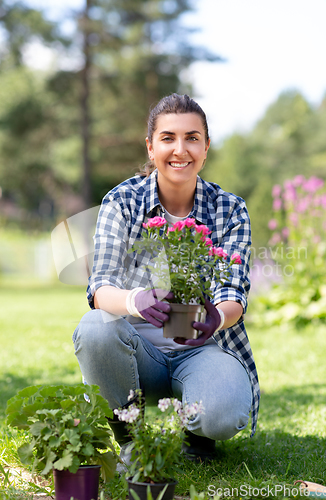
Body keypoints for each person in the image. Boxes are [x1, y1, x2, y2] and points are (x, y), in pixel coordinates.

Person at [72, 93, 260, 465]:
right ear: (151, 146)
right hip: (135, 354)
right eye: (168, 138)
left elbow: (234, 292)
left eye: (192, 138)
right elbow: (100, 287)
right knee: (95, 327)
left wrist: (217, 318)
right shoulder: (122, 201)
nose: (180, 149)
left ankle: (198, 433)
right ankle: (130, 436)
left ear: (206, 148)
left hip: (199, 349)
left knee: (224, 414)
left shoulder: (230, 209)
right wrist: (134, 301)